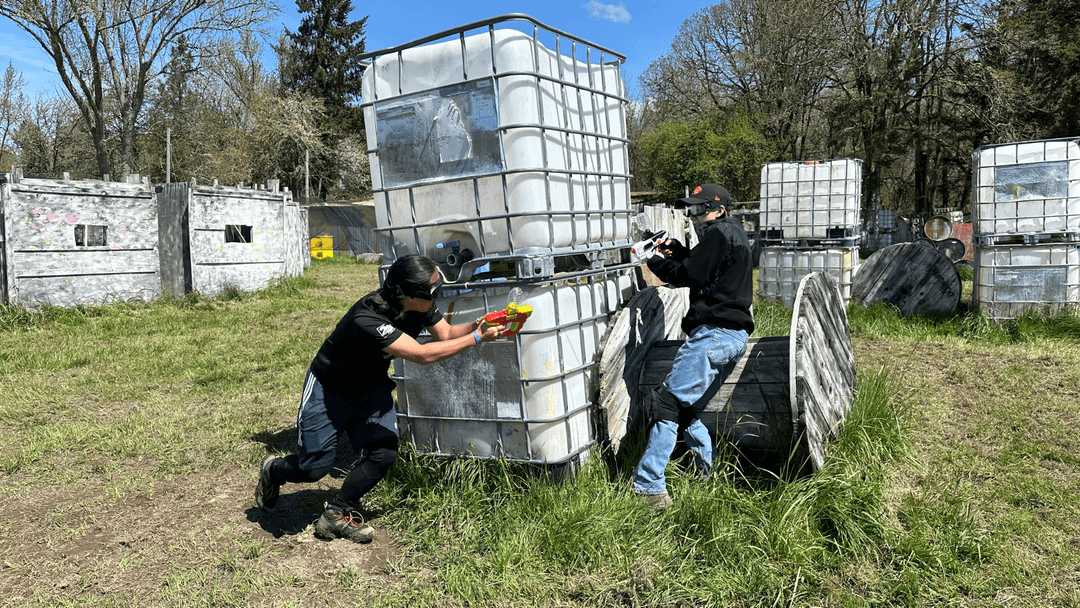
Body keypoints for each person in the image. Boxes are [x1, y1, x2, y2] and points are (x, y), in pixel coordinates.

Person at [254, 254, 510, 543]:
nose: (435, 296)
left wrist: (481, 324)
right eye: (430, 292)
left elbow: (447, 333)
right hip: (330, 388)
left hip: (370, 386)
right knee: (314, 468)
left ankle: (337, 512)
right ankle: (274, 469)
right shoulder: (368, 316)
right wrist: (477, 338)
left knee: (384, 453)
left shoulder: (419, 303)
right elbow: (422, 355)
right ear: (404, 293)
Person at [633, 184, 755, 510]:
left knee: (667, 403)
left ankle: (648, 487)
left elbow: (688, 275)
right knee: (686, 409)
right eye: (692, 209)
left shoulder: (719, 233)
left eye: (700, 209)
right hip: (732, 336)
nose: (694, 215)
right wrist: (673, 249)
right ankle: (706, 476)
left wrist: (653, 260)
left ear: (718, 209)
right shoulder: (734, 234)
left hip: (712, 335)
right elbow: (705, 270)